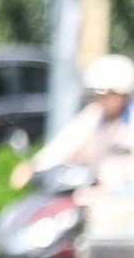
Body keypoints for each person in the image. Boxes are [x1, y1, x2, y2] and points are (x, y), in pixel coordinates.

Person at [13, 53, 134, 194]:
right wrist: (33, 167)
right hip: (97, 199)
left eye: (106, 95)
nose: (100, 100)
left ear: (122, 94)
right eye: (96, 95)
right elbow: (64, 144)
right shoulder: (93, 116)